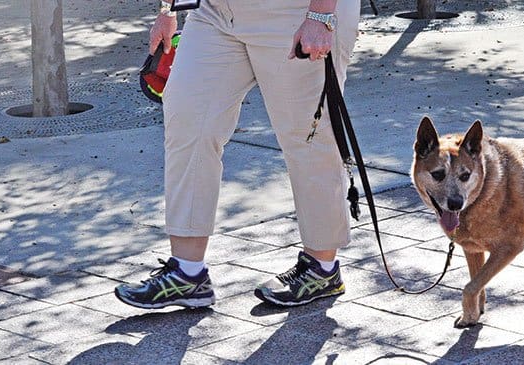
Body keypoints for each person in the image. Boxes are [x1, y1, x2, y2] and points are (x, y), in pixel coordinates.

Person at [114, 0, 361, 308]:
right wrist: (168, 9)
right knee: (189, 121)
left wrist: (320, 17)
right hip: (215, 12)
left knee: (308, 137)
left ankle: (321, 267)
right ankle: (187, 273)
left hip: (297, 11)